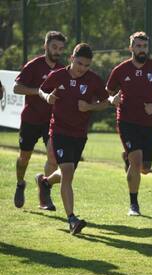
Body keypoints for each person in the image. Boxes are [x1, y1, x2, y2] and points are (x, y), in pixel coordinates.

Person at [37, 43, 110, 234]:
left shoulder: (93, 80)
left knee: (66, 174)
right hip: (59, 131)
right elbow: (41, 89)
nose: (82, 68)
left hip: (79, 134)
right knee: (67, 173)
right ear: (71, 58)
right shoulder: (58, 75)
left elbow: (105, 102)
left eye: (86, 65)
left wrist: (89, 107)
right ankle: (72, 219)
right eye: (79, 63)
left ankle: (45, 182)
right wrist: (47, 98)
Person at [106, 31, 152, 216]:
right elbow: (108, 91)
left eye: (144, 46)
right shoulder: (121, 70)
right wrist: (113, 100)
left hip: (147, 124)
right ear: (131, 48)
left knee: (145, 168)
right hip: (126, 121)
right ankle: (134, 205)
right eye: (138, 46)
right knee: (136, 162)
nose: (142, 50)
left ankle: (127, 158)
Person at [13, 31, 66, 210]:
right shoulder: (34, 65)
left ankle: (45, 196)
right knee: (24, 158)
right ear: (46, 46)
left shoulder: (62, 69)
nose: (57, 51)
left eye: (60, 48)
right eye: (54, 47)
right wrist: (39, 92)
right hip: (31, 119)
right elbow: (17, 88)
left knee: (53, 158)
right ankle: (20, 183)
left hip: (51, 121)